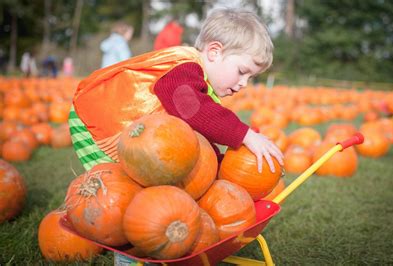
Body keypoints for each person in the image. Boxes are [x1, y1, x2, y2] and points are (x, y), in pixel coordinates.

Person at [69, 8, 283, 173]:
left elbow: (199, 135)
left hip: (129, 132)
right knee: (117, 190)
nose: (244, 83)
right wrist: (244, 134)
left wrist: (221, 166)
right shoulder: (183, 65)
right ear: (214, 52)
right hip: (98, 120)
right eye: (242, 71)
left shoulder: (201, 85)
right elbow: (193, 112)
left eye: (250, 77)